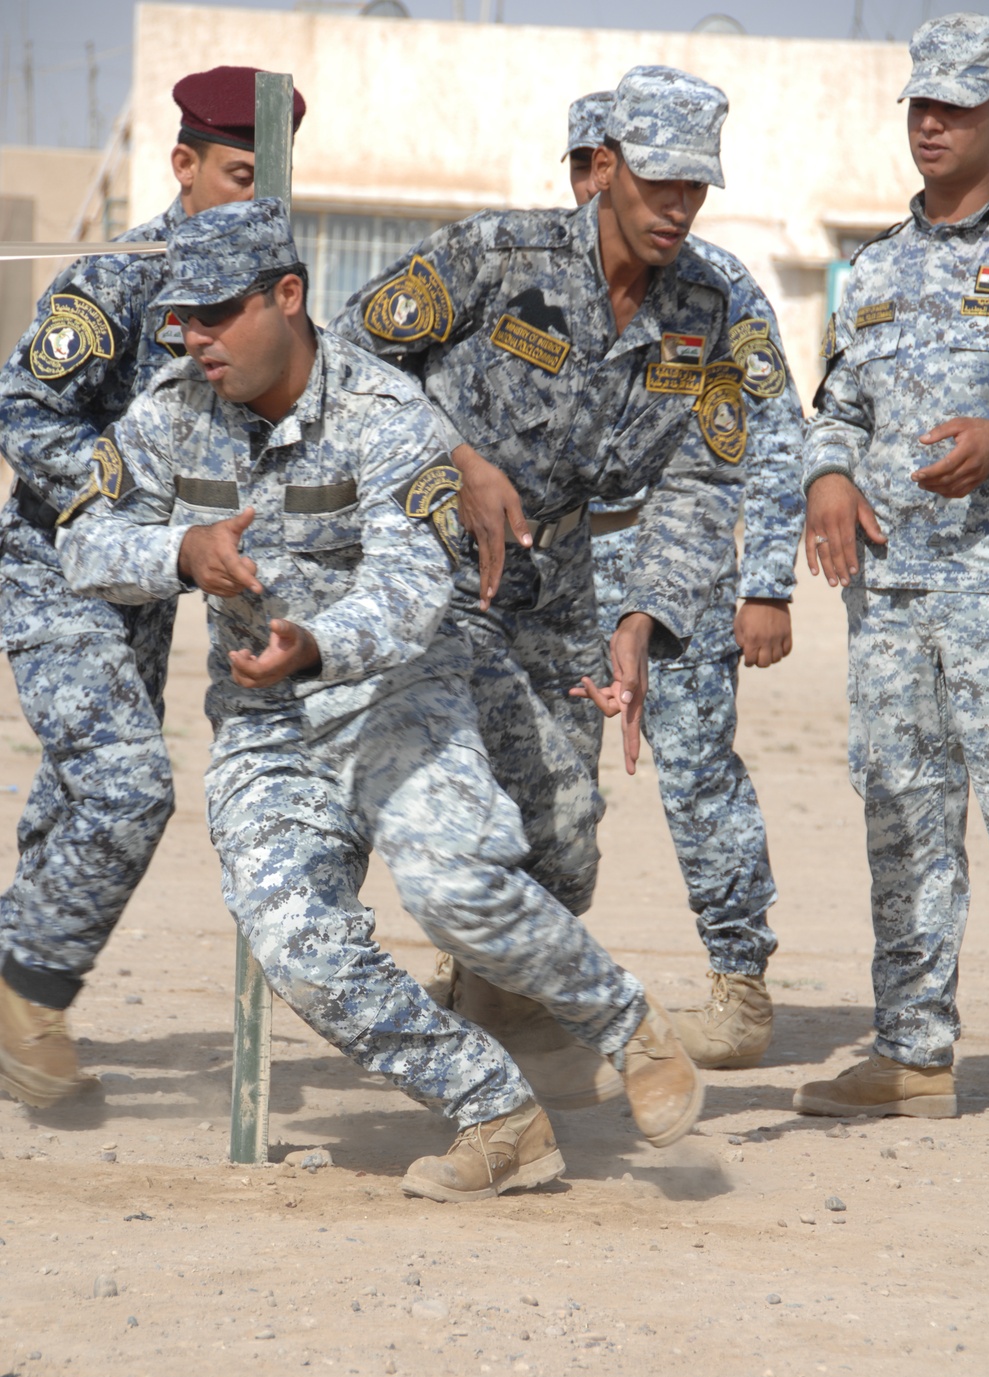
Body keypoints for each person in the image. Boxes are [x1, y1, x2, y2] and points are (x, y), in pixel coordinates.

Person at [56, 198, 704, 1199]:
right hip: (266, 726)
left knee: (453, 886)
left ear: (287, 296)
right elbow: (83, 542)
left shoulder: (388, 412)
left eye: (217, 313)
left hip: (396, 694)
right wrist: (176, 551)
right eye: (182, 318)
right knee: (296, 946)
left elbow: (411, 590)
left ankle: (626, 1023)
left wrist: (314, 643)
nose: (195, 338)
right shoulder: (170, 413)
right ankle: (496, 1112)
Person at [331, 65, 748, 1109]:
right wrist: (455, 455)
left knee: (562, 834)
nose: (677, 210)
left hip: (559, 583)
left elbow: (702, 474)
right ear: (603, 170)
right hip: (425, 564)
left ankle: (495, 1008)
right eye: (659, 185)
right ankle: (338, 989)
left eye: (696, 191)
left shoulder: (706, 307)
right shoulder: (494, 255)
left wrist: (644, 612)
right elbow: (345, 354)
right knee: (393, 808)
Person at [0, 67, 306, 1111]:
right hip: (61, 573)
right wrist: (140, 512)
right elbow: (26, 413)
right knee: (130, 788)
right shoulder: (120, 278)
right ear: (183, 165)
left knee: (72, 805)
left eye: (274, 180)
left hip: (155, 590)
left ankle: (16, 987)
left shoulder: (272, 293)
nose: (257, 197)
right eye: (236, 174)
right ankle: (28, 990)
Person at [561, 90, 804, 1069]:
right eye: (580, 165)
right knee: (538, 773)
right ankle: (510, 971)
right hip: (557, 568)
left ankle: (739, 986)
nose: (592, 183)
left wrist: (768, 579)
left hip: (681, 563)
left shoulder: (716, 288)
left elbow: (775, 428)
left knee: (699, 779)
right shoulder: (535, 278)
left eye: (602, 164)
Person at [796, 12, 989, 1119]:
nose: (932, 124)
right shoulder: (872, 268)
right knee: (903, 821)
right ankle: (914, 1055)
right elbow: (834, 404)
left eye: (957, 106)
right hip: (892, 603)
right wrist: (826, 475)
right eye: (921, 104)